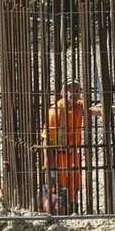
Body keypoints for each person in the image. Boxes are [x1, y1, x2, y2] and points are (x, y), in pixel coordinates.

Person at [41, 81, 87, 216]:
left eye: (78, 90)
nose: (75, 93)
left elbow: (92, 109)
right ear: (63, 92)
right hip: (57, 156)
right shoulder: (54, 112)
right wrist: (50, 165)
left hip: (73, 156)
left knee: (74, 187)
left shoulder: (79, 107)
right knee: (57, 188)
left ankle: (73, 213)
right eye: (71, 90)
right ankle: (57, 214)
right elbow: (47, 141)